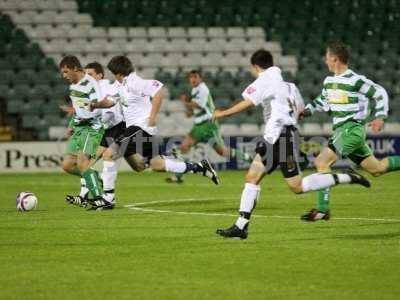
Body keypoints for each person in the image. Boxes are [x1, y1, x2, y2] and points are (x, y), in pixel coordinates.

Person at [213, 49, 371, 239]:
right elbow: (301, 111)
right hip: (279, 136)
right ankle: (241, 225)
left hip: (280, 136)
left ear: (255, 67)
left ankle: (346, 177)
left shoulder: (264, 79)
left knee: (297, 186)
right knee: (252, 177)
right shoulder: (291, 86)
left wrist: (222, 113)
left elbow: (247, 102)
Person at [89, 56, 220, 210]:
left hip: (140, 127)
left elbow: (159, 92)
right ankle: (200, 168)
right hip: (142, 130)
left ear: (118, 73)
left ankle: (108, 198)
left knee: (108, 154)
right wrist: (95, 105)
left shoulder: (135, 82)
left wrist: (152, 117)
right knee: (157, 165)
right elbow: (110, 101)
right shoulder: (122, 85)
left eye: (114, 73)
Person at [300, 41, 400, 221]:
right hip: (342, 131)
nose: (325, 61)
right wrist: (306, 111)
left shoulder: (355, 80)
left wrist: (380, 116)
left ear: (335, 58)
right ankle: (351, 172)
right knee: (377, 169)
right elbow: (322, 101)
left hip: (351, 128)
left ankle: (323, 209)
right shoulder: (329, 81)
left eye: (327, 57)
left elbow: (379, 93)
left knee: (322, 161)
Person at [166, 70, 252, 183]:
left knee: (222, 152)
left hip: (208, 125)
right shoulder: (195, 90)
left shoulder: (203, 89)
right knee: (184, 147)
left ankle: (247, 157)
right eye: (191, 77)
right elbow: (201, 107)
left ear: (200, 78)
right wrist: (191, 112)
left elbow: (199, 105)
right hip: (198, 126)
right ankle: (178, 177)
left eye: (195, 77)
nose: (192, 79)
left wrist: (185, 102)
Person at [61, 62, 126, 207]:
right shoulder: (87, 88)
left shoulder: (106, 88)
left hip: (114, 129)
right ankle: (86, 195)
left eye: (90, 74)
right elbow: (81, 108)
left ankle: (100, 196)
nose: (87, 77)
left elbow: (108, 112)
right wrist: (74, 123)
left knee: (88, 162)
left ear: (100, 75)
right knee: (85, 163)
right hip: (102, 129)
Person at [59, 55, 107, 207]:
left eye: (66, 72)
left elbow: (98, 108)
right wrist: (71, 125)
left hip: (92, 128)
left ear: (75, 68)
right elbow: (78, 109)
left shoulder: (90, 84)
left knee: (82, 162)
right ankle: (92, 177)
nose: (64, 76)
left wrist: (86, 116)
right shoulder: (73, 86)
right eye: (62, 72)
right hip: (79, 127)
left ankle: (100, 199)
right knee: (67, 165)